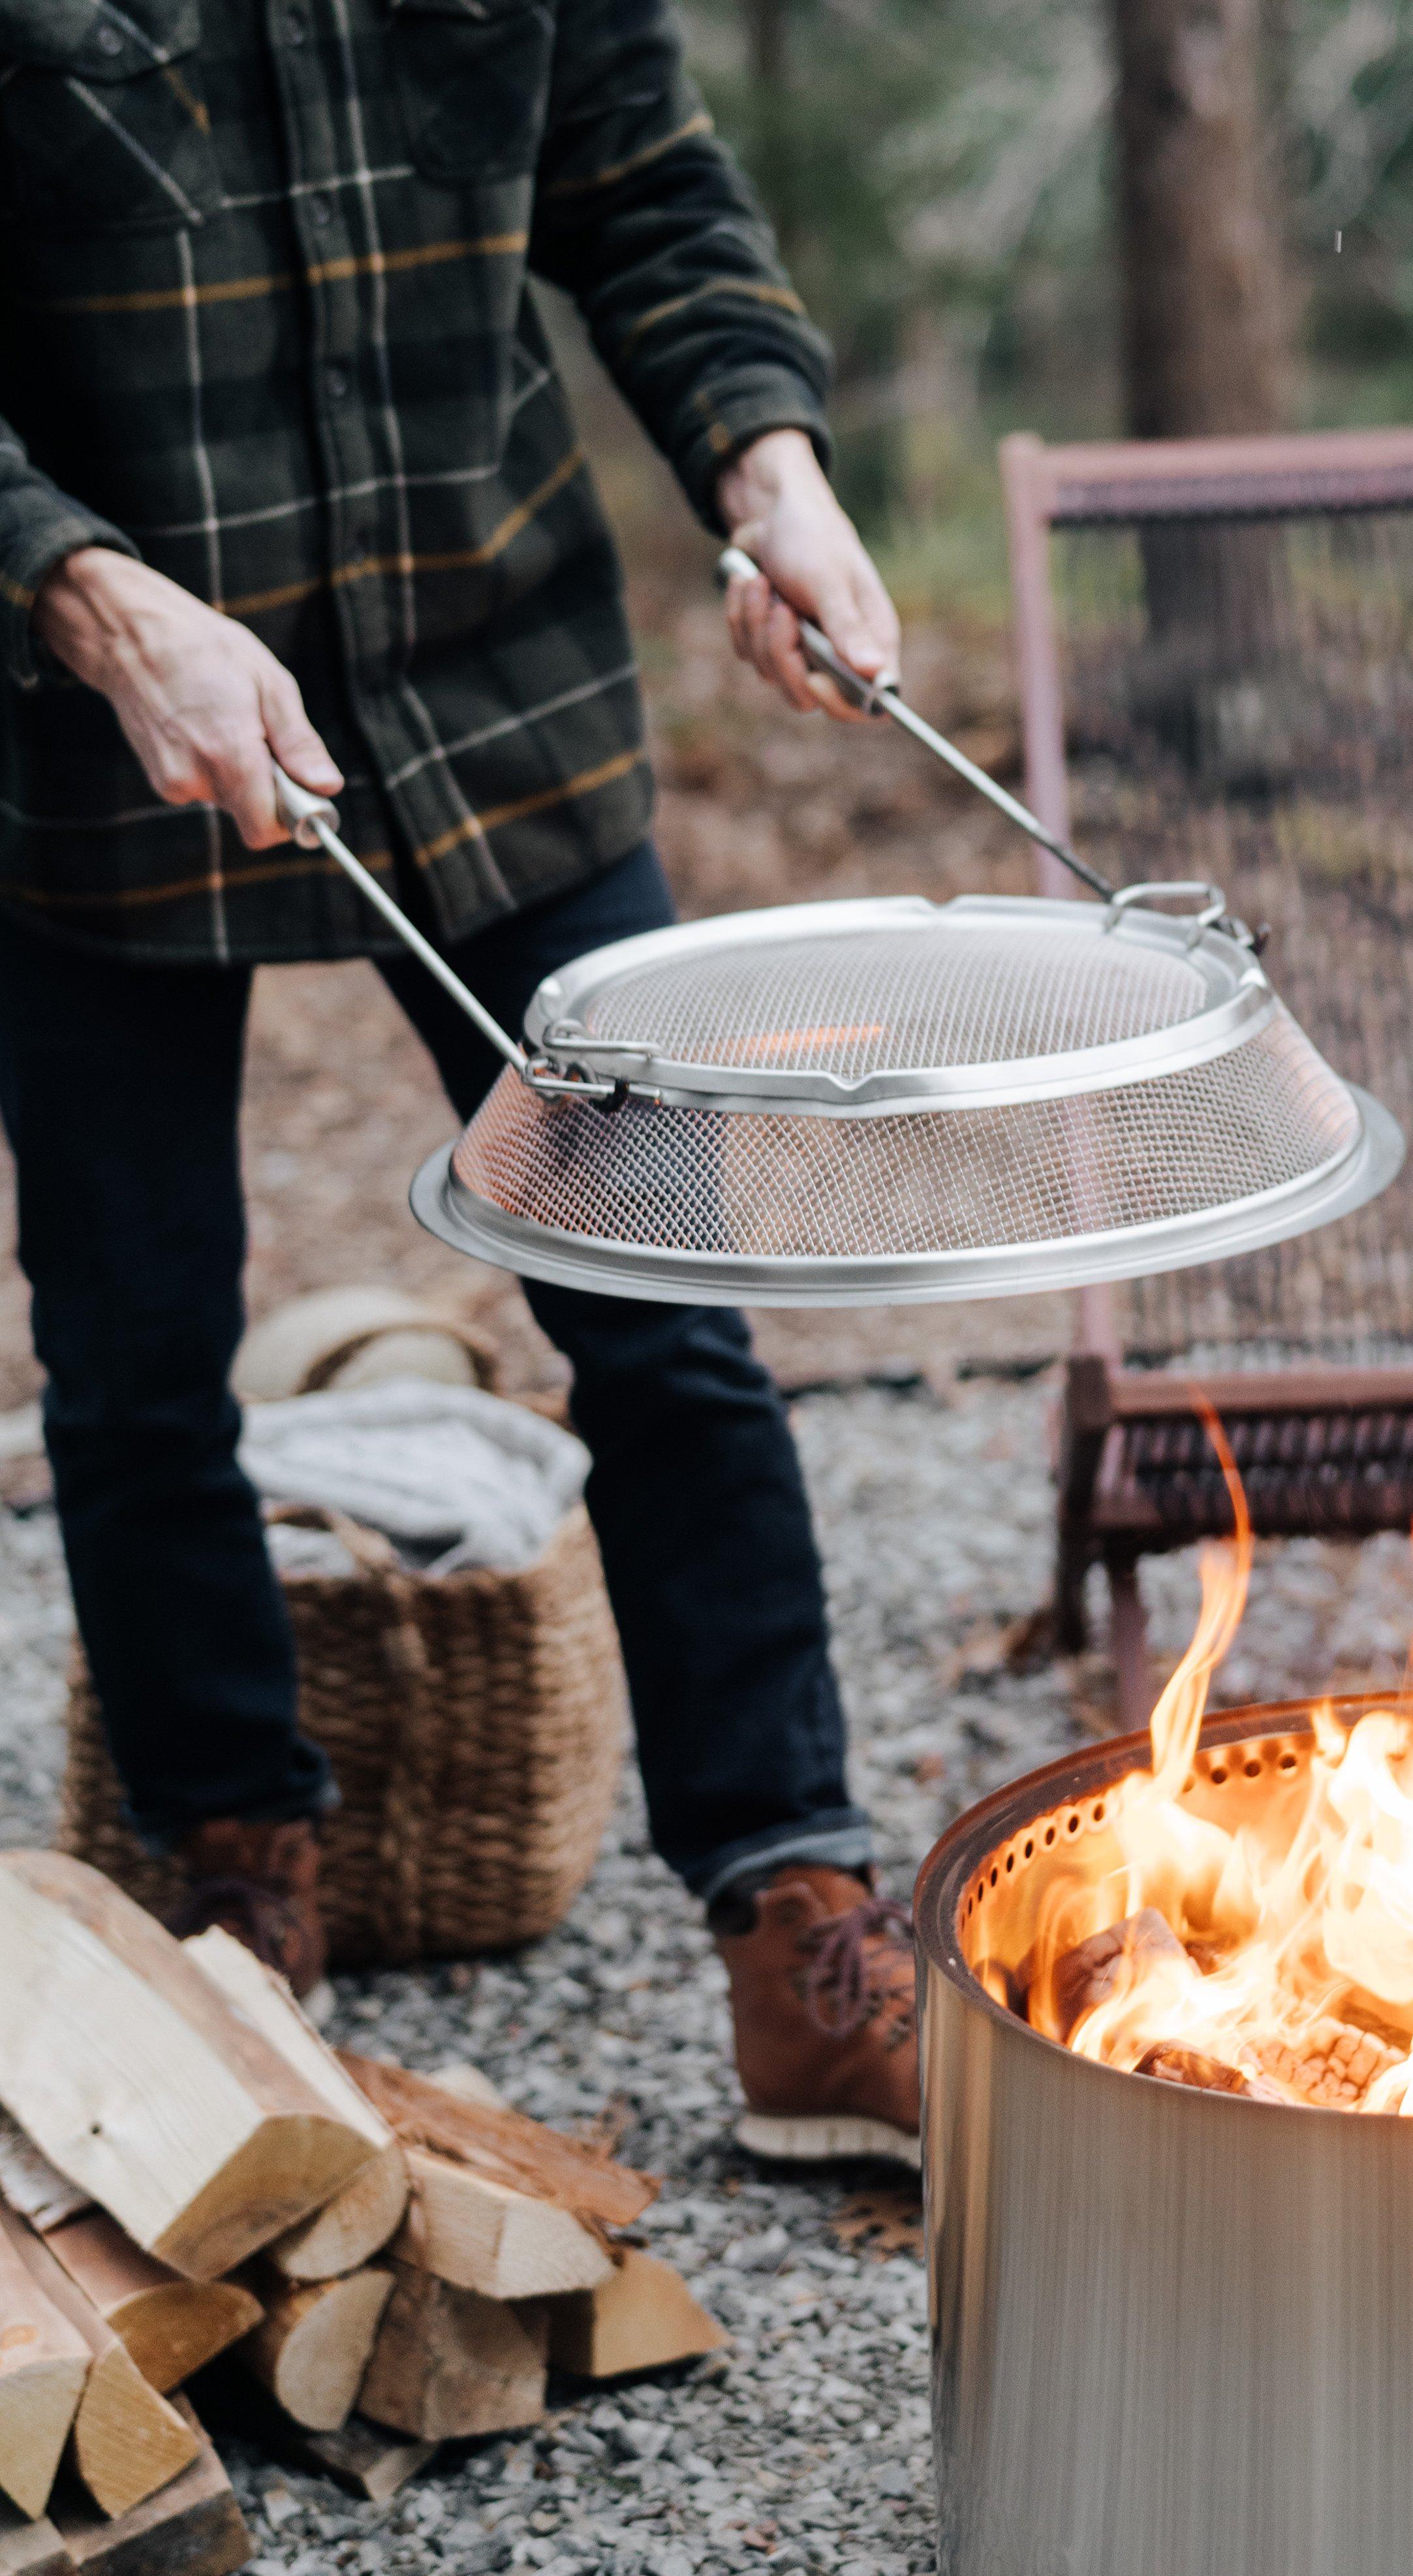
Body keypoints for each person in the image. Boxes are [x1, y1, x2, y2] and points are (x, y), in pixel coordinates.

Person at [0, 0, 919, 2161]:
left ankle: (799, 1927)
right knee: (136, 1358)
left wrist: (766, 464)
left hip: (499, 687)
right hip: (87, 724)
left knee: (665, 1309)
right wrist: (93, 597)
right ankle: (242, 1893)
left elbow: (640, 181)